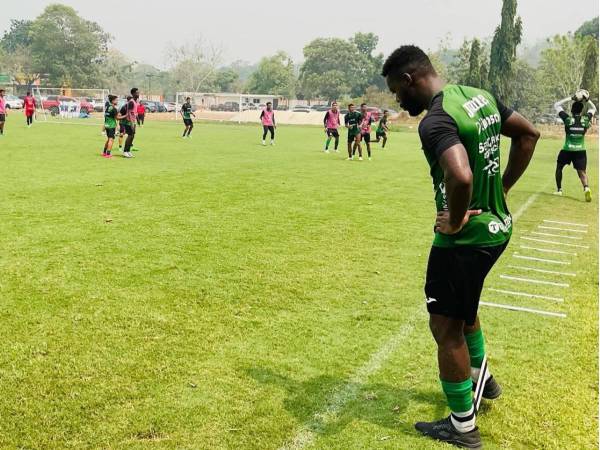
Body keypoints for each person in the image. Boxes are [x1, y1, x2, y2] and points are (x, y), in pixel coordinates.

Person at [382, 45, 539, 449]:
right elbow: (528, 134)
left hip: (464, 241)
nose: (397, 100)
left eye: (396, 92)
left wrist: (453, 219)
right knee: (465, 311)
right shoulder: (478, 97)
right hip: (497, 229)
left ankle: (462, 428)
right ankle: (484, 381)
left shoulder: (436, 120)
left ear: (409, 79)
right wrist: (502, 190)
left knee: (444, 326)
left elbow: (461, 176)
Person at [553, 89, 596, 202]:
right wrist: (587, 99)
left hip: (567, 149)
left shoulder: (568, 119)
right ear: (581, 110)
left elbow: (556, 105)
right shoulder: (585, 120)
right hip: (580, 151)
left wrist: (571, 98)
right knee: (582, 172)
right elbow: (593, 108)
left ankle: (559, 189)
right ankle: (586, 188)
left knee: (559, 168)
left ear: (571, 110)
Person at [122, 88, 140, 158]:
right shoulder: (131, 102)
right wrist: (131, 123)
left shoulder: (136, 101)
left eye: (138, 93)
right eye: (137, 93)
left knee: (132, 136)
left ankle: (128, 150)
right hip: (129, 121)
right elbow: (129, 113)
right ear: (133, 94)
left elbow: (134, 112)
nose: (138, 94)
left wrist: (137, 120)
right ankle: (125, 151)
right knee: (130, 135)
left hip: (133, 121)